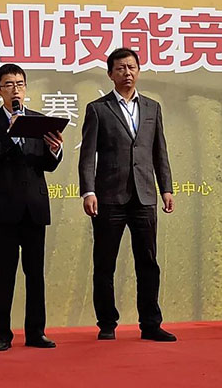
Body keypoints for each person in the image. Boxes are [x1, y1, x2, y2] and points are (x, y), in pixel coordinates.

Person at [78, 47, 177, 342]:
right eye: (120, 68)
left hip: (144, 196)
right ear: (110, 74)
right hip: (109, 196)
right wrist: (88, 191)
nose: (127, 73)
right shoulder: (98, 109)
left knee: (148, 262)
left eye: (131, 67)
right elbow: (87, 156)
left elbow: (159, 151)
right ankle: (107, 323)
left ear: (139, 71)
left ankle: (150, 324)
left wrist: (166, 188)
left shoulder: (152, 108)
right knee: (104, 263)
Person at [0, 63, 63, 351]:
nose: (16, 90)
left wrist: (55, 150)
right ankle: (2, 335)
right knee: (3, 274)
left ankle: (36, 332)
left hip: (35, 207)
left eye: (20, 84)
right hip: (5, 208)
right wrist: (10, 135)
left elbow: (47, 165)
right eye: (9, 84)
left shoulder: (39, 121)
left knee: (35, 275)